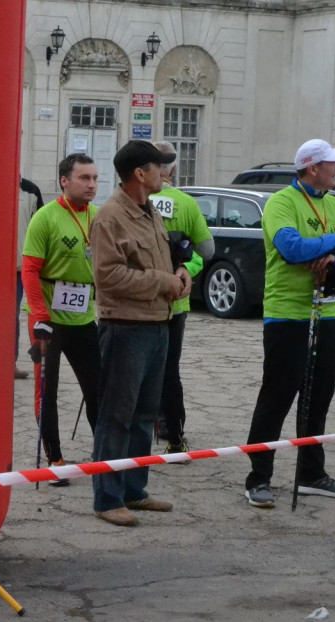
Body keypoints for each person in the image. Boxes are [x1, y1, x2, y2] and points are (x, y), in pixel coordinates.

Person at [243, 139, 335, 508]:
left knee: (319, 397)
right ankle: (258, 478)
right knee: (277, 396)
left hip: (328, 313)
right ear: (312, 167)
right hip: (287, 314)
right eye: (332, 164)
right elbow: (291, 249)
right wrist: (333, 244)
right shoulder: (282, 202)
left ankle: (311, 473)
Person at [89, 140, 191, 527]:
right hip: (125, 328)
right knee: (117, 415)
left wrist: (181, 271)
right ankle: (107, 498)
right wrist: (163, 281)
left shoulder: (150, 211)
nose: (164, 172)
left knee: (145, 415)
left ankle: (134, 489)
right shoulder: (111, 217)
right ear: (139, 173)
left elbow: (165, 257)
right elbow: (108, 276)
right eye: (158, 166)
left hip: (156, 325)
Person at [21, 154, 101, 486]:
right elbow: (29, 270)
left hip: (84, 318)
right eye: (84, 178)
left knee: (99, 389)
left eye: (95, 178)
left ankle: (106, 455)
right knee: (47, 390)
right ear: (64, 181)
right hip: (48, 320)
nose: (92, 185)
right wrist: (40, 315)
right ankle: (54, 459)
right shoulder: (46, 218)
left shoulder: (99, 218)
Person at [148, 140, 214, 456]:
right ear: (173, 169)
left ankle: (140, 434)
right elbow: (207, 251)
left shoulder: (134, 200)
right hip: (177, 300)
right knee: (169, 370)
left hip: (141, 299)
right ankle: (174, 434)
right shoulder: (186, 203)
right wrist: (185, 267)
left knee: (139, 370)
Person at [15, 176, 43, 380]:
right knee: (7, 317)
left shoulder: (31, 191)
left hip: (25, 266)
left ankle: (14, 361)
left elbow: (40, 226)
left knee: (37, 313)